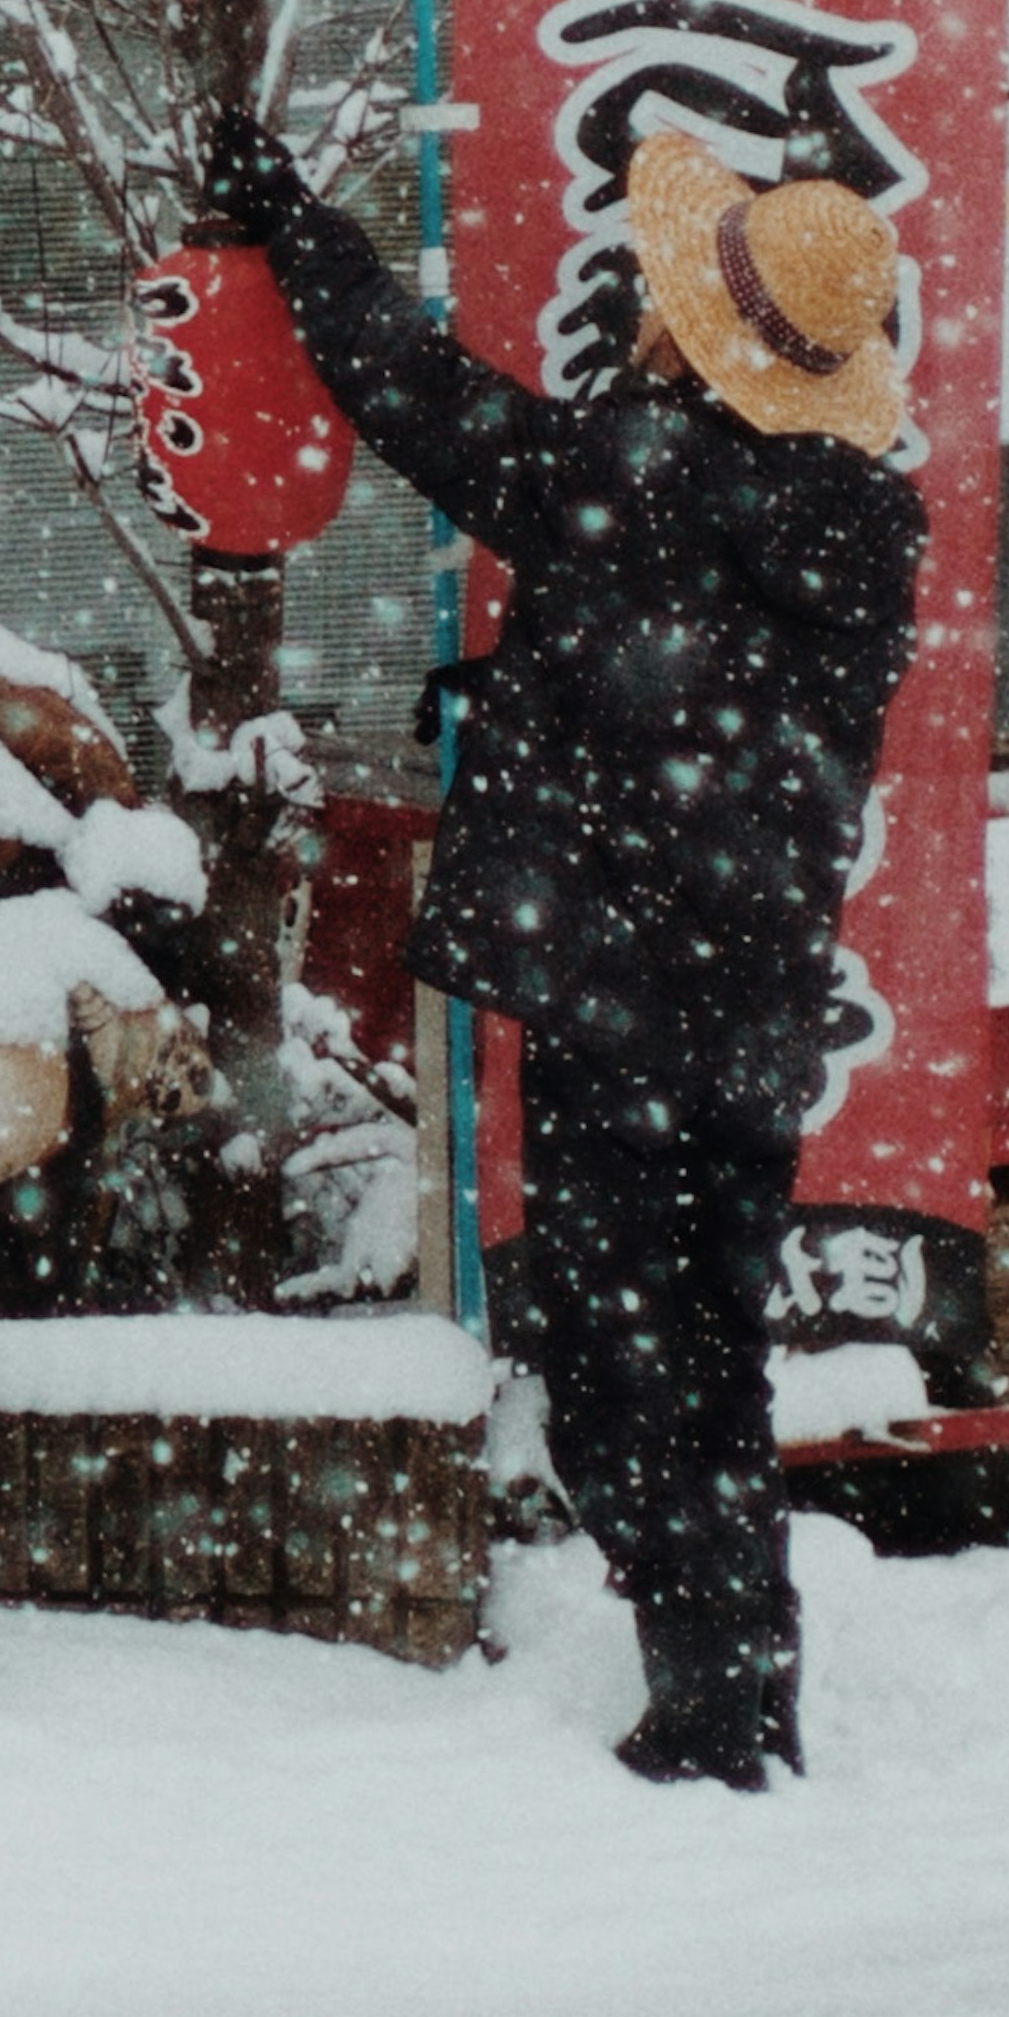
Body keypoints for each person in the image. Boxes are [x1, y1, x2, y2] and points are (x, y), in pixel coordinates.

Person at [202, 97, 923, 1788]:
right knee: (713, 1358)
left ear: (717, 339)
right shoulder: (868, 528)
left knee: (612, 1369)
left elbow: (419, 400)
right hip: (747, 1016)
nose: (649, 304)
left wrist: (293, 222)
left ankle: (710, 1710)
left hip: (624, 1010)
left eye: (675, 294)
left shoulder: (640, 484)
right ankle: (744, 1689)